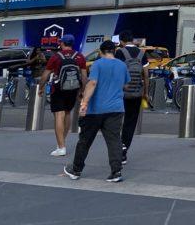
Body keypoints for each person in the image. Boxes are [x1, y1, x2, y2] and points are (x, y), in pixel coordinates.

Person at [63, 40, 129, 183]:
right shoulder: (122, 65)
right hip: (116, 109)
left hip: (95, 109)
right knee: (114, 140)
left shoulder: (98, 64)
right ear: (114, 51)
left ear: (101, 52)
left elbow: (92, 83)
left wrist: (84, 102)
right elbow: (126, 85)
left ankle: (76, 169)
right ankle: (116, 172)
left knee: (85, 140)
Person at [39, 34, 87, 157]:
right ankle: (62, 142)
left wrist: (41, 87)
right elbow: (84, 76)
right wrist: (82, 90)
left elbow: (45, 75)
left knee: (58, 115)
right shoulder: (80, 56)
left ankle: (61, 147)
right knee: (67, 113)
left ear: (62, 43)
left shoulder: (56, 57)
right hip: (73, 89)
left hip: (58, 89)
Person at [114, 30, 148, 164]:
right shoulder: (142, 53)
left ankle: (117, 147)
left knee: (116, 120)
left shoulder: (120, 52)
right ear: (132, 40)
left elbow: (116, 72)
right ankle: (124, 149)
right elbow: (146, 74)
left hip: (122, 92)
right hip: (136, 92)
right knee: (130, 122)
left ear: (122, 41)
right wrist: (145, 92)